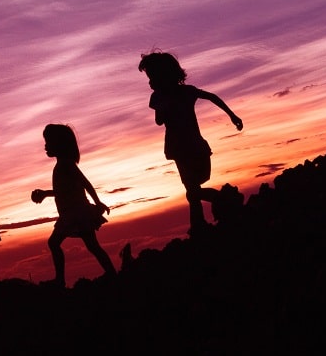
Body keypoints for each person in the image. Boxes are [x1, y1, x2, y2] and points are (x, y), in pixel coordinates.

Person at [138, 50, 244, 233]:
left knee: (193, 190)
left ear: (165, 75)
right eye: (149, 77)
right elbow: (159, 120)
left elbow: (212, 97)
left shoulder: (185, 92)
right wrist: (232, 116)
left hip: (192, 146)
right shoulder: (161, 97)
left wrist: (232, 115)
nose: (150, 81)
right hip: (181, 149)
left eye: (152, 76)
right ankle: (199, 224)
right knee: (192, 190)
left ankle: (220, 201)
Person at [30, 123, 116, 287]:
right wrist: (45, 194)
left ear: (59, 144)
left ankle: (60, 280)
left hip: (75, 213)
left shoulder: (65, 164)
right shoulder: (63, 164)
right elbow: (63, 191)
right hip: (77, 212)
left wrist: (98, 202)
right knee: (92, 246)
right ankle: (111, 273)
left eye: (49, 141)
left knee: (54, 243)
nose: (46, 146)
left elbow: (85, 183)